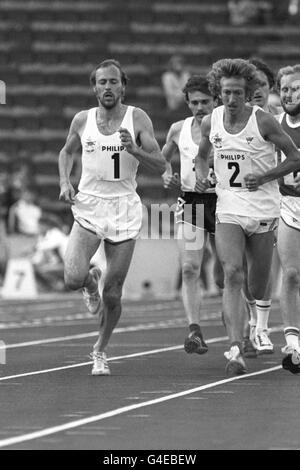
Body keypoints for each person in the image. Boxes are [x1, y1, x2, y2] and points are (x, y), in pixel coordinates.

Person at [58, 59, 165, 376]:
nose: (108, 87)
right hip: (89, 206)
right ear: (94, 87)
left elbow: (159, 165)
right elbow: (66, 152)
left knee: (114, 293)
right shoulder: (82, 120)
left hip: (123, 210)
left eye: (113, 82)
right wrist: (65, 181)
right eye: (102, 82)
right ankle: (89, 283)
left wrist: (135, 150)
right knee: (72, 279)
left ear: (123, 86)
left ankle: (100, 350)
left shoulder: (137, 118)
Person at [194, 58, 300, 376]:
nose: (231, 99)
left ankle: (255, 319)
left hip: (264, 211)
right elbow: (201, 157)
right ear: (218, 92)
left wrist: (266, 176)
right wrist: (202, 176)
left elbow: (295, 157)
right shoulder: (210, 122)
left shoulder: (264, 121)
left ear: (248, 92)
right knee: (232, 274)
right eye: (226, 93)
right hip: (229, 208)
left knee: (256, 286)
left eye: (238, 93)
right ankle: (235, 346)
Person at [162, 75, 223, 356]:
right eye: (194, 102)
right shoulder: (178, 129)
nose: (200, 108)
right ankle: (194, 330)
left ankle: (245, 328)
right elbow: (162, 159)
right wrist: (167, 176)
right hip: (191, 203)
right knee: (189, 268)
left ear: (216, 101)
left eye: (205, 102)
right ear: (187, 103)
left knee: (228, 273)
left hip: (224, 202)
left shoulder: (225, 126)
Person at [242, 58, 280, 356]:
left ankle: (261, 326)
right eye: (251, 85)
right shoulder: (232, 118)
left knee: (270, 269)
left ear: (270, 89)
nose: (256, 91)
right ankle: (251, 322)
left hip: (278, 202)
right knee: (237, 270)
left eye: (262, 86)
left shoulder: (281, 118)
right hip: (239, 202)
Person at [275, 64, 300, 373]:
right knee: (291, 274)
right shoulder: (274, 125)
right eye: (285, 89)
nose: (290, 94)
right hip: (289, 205)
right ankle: (294, 343)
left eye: (296, 88)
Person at [30, 213, 69, 292]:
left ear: (46, 225)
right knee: (33, 269)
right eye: (38, 226)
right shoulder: (41, 237)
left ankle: (61, 286)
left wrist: (34, 247)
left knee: (43, 270)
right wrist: (31, 263)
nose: (38, 228)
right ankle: (56, 287)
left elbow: (46, 246)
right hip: (55, 265)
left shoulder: (56, 233)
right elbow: (38, 257)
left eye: (40, 226)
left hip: (66, 265)